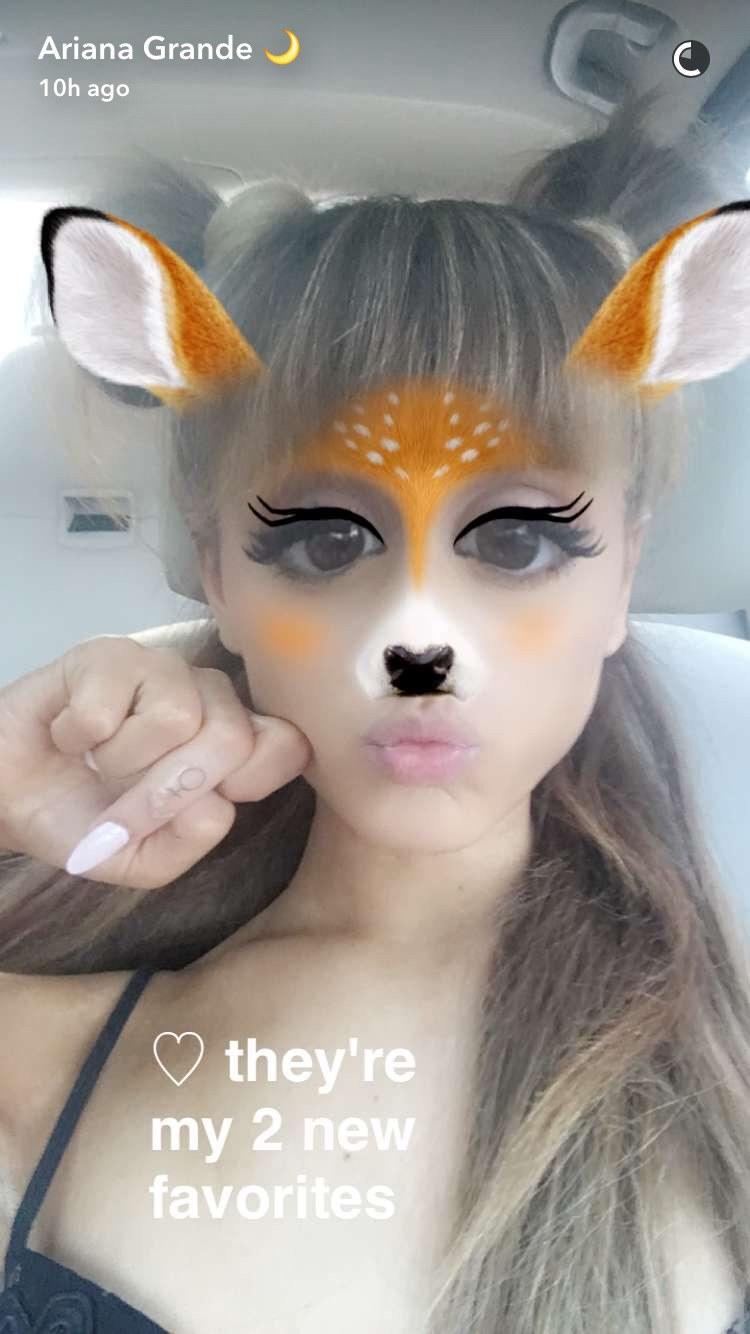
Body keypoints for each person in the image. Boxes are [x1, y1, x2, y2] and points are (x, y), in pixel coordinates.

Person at [1, 90, 750, 1333]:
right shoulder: (38, 1040)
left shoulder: (727, 1053)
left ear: (624, 569)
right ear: (217, 573)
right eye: (320, 542)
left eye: (516, 540)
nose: (417, 640)